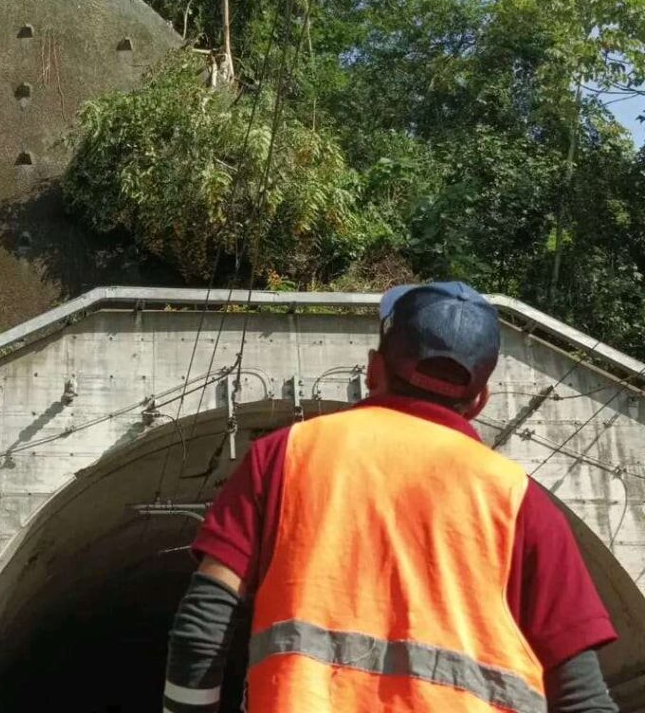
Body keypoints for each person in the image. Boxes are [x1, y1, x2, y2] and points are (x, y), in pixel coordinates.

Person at [164, 282, 618, 713]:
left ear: (373, 369)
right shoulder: (521, 504)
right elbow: (582, 697)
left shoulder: (286, 457)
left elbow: (202, 628)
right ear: (480, 399)